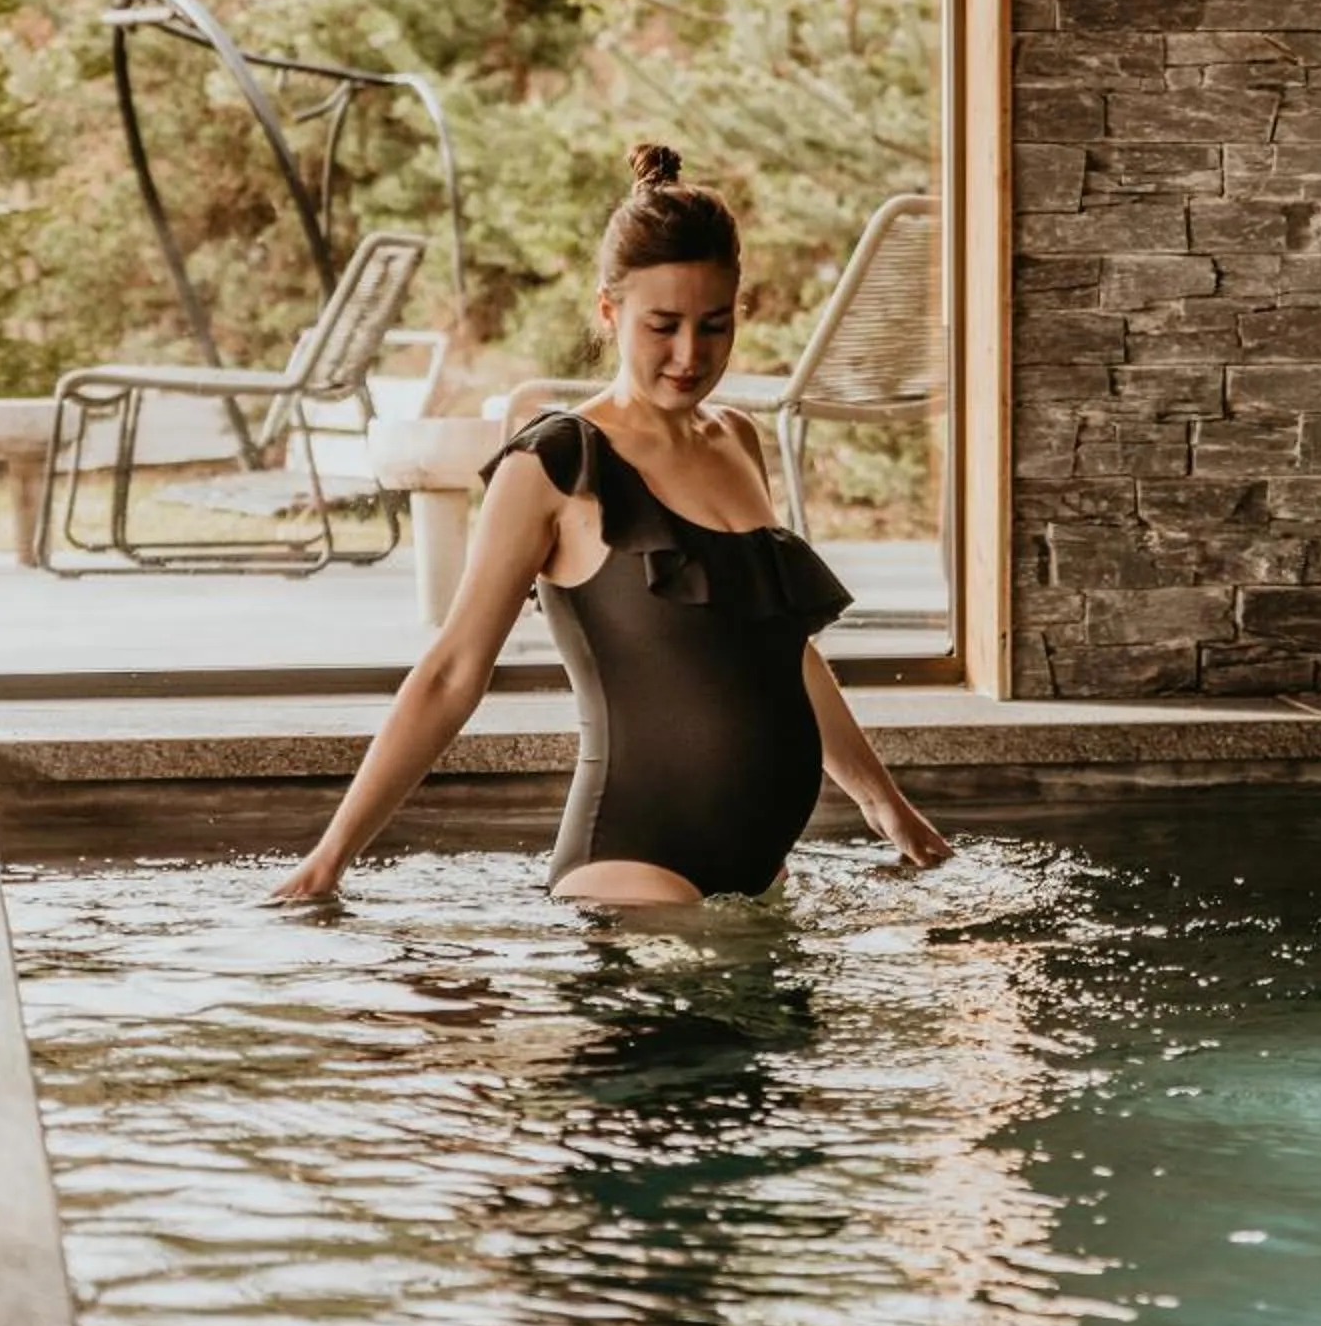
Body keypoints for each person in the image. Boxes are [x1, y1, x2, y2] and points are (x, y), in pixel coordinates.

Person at [275, 144, 953, 909]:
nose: (689, 355)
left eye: (715, 326)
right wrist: (329, 858)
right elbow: (452, 672)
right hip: (636, 864)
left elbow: (779, 649)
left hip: (762, 878)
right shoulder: (557, 463)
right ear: (609, 310)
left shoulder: (736, 438)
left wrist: (886, 808)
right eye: (662, 326)